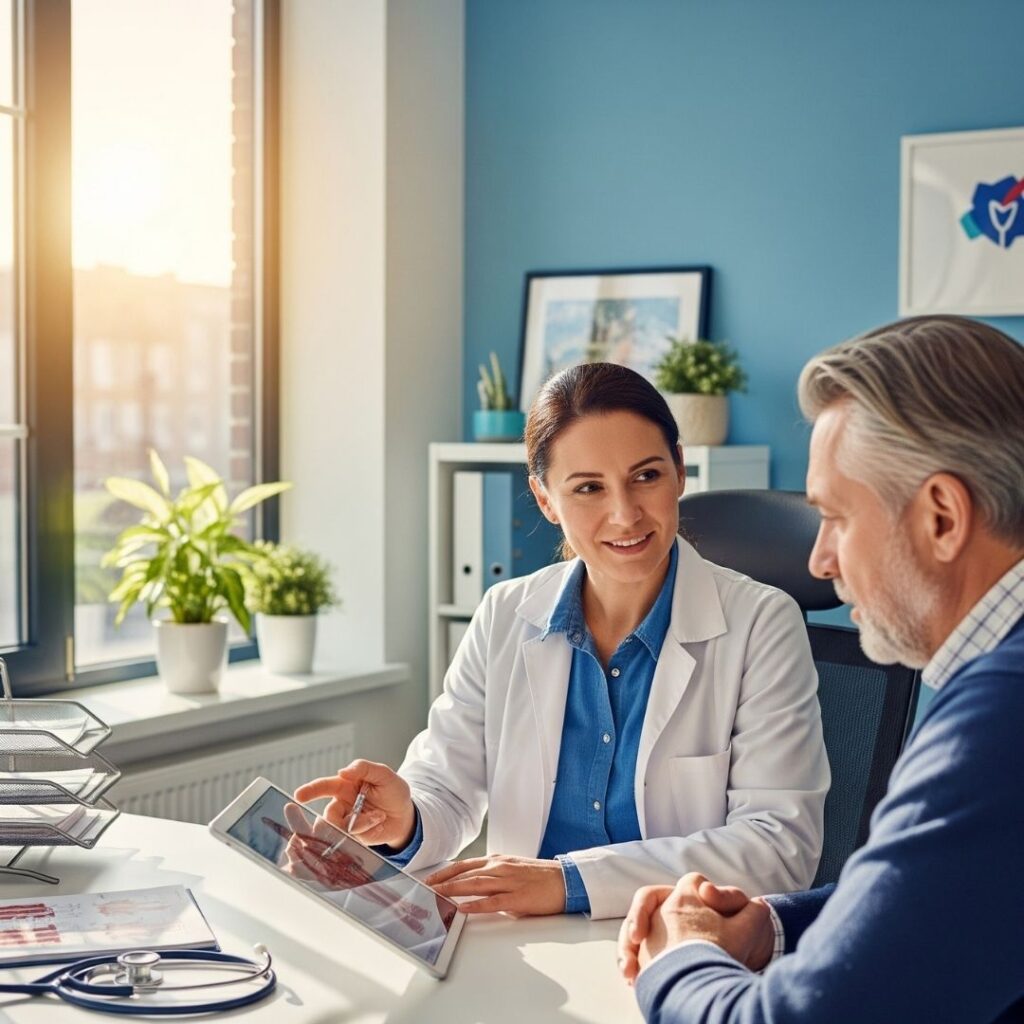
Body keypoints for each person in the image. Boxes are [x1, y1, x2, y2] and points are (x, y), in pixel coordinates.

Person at [297, 362, 829, 920]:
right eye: (588, 488)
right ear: (546, 499)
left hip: (679, 940)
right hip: (526, 943)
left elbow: (777, 847)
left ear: (679, 470)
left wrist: (569, 883)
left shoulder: (763, 623)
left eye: (646, 476)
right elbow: (447, 786)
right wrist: (405, 816)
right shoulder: (506, 613)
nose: (624, 514)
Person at [618, 315, 1024, 1022]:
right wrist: (770, 927)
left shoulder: (1001, 723)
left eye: (835, 517)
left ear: (941, 518)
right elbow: (949, 898)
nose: (819, 561)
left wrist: (678, 956)